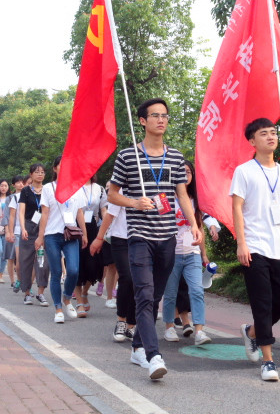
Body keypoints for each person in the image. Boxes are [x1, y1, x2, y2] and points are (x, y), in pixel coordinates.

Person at [107, 98, 201, 380]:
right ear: (142, 121)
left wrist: (194, 224)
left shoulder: (175, 157)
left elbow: (181, 194)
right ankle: (153, 356)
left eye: (165, 115)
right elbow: (113, 194)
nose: (161, 120)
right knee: (145, 295)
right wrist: (134, 202)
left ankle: (137, 347)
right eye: (155, 115)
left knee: (155, 297)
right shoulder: (128, 156)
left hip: (167, 238)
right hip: (139, 237)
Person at [231, 118, 280, 382]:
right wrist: (241, 243)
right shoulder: (244, 171)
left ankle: (252, 332)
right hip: (254, 247)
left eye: (273, 132)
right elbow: (237, 207)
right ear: (252, 141)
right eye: (264, 134)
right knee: (262, 303)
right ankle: (268, 360)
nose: (271, 137)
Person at [162, 160, 212, 346]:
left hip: (192, 253)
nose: (185, 175)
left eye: (188, 172)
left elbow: (201, 226)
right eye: (181, 172)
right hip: (172, 253)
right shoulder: (165, 197)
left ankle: (199, 331)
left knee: (197, 290)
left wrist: (204, 254)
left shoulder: (197, 200)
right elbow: (160, 223)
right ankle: (169, 327)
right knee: (170, 292)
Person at [34, 156, 88, 323]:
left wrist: (85, 234)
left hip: (71, 234)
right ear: (55, 169)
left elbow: (79, 212)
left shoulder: (77, 187)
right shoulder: (48, 188)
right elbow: (44, 213)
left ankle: (67, 298)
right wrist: (40, 236)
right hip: (52, 234)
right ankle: (58, 308)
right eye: (61, 166)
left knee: (73, 270)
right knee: (56, 272)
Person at [90, 188, 136, 343]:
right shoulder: (122, 189)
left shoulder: (152, 186)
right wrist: (99, 238)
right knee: (127, 278)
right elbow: (110, 214)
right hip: (121, 238)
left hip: (143, 239)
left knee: (138, 281)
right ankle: (121, 321)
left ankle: (132, 324)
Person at [73, 175, 107, 318]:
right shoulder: (73, 187)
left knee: (93, 265)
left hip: (93, 227)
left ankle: (85, 292)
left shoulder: (99, 189)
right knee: (76, 265)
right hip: (74, 226)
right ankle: (79, 301)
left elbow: (103, 210)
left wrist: (107, 227)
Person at [17, 164, 50, 306]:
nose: (40, 174)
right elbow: (21, 211)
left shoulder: (48, 190)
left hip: (44, 227)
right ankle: (27, 293)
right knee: (26, 261)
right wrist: (23, 228)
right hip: (29, 227)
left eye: (42, 172)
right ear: (31, 174)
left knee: (43, 262)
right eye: (37, 172)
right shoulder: (25, 191)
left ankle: (41, 293)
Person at [4, 175, 25, 290]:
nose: (21, 184)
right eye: (18, 182)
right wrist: (8, 231)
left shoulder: (29, 195)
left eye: (23, 182)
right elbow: (7, 216)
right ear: (13, 185)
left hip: (25, 231)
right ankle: (13, 280)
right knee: (11, 256)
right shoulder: (11, 198)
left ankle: (22, 280)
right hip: (13, 230)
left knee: (21, 258)